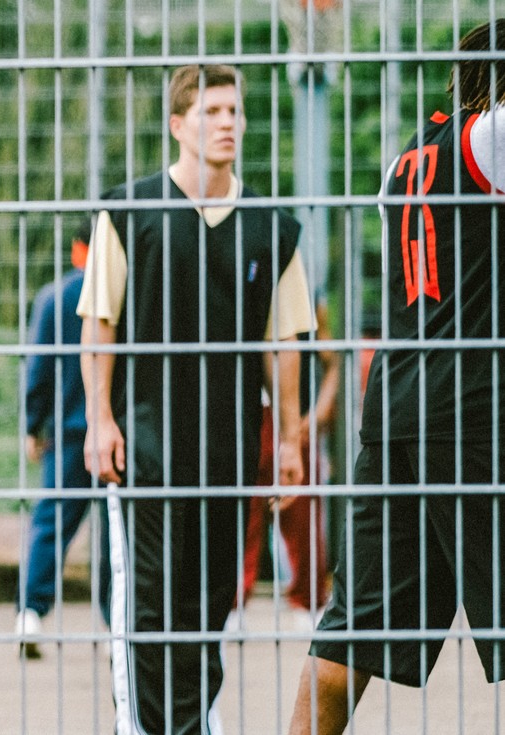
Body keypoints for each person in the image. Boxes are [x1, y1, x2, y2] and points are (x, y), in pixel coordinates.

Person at [79, 64, 314, 735]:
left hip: (228, 447)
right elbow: (99, 323)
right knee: (148, 607)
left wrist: (291, 438)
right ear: (179, 124)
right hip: (148, 449)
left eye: (234, 111)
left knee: (210, 606)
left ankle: (191, 726)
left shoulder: (272, 229)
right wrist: (101, 419)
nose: (227, 123)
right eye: (211, 111)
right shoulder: (127, 212)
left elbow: (286, 344)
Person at [289, 20, 505, 735]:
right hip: (476, 412)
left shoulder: (409, 156)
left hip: (397, 405)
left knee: (350, 635)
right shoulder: (489, 139)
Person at [16, 223, 112, 659]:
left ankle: (30, 614)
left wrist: (34, 425)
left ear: (77, 249)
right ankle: (118, 627)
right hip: (115, 432)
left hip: (68, 431)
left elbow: (38, 370)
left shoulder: (54, 298)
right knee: (117, 532)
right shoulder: (120, 298)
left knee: (51, 523)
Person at [234, 297, 339, 629]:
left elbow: (332, 361)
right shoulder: (240, 279)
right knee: (242, 511)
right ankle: (233, 603)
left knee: (302, 511)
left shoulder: (309, 296)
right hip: (249, 415)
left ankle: (308, 601)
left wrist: (320, 410)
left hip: (295, 417)